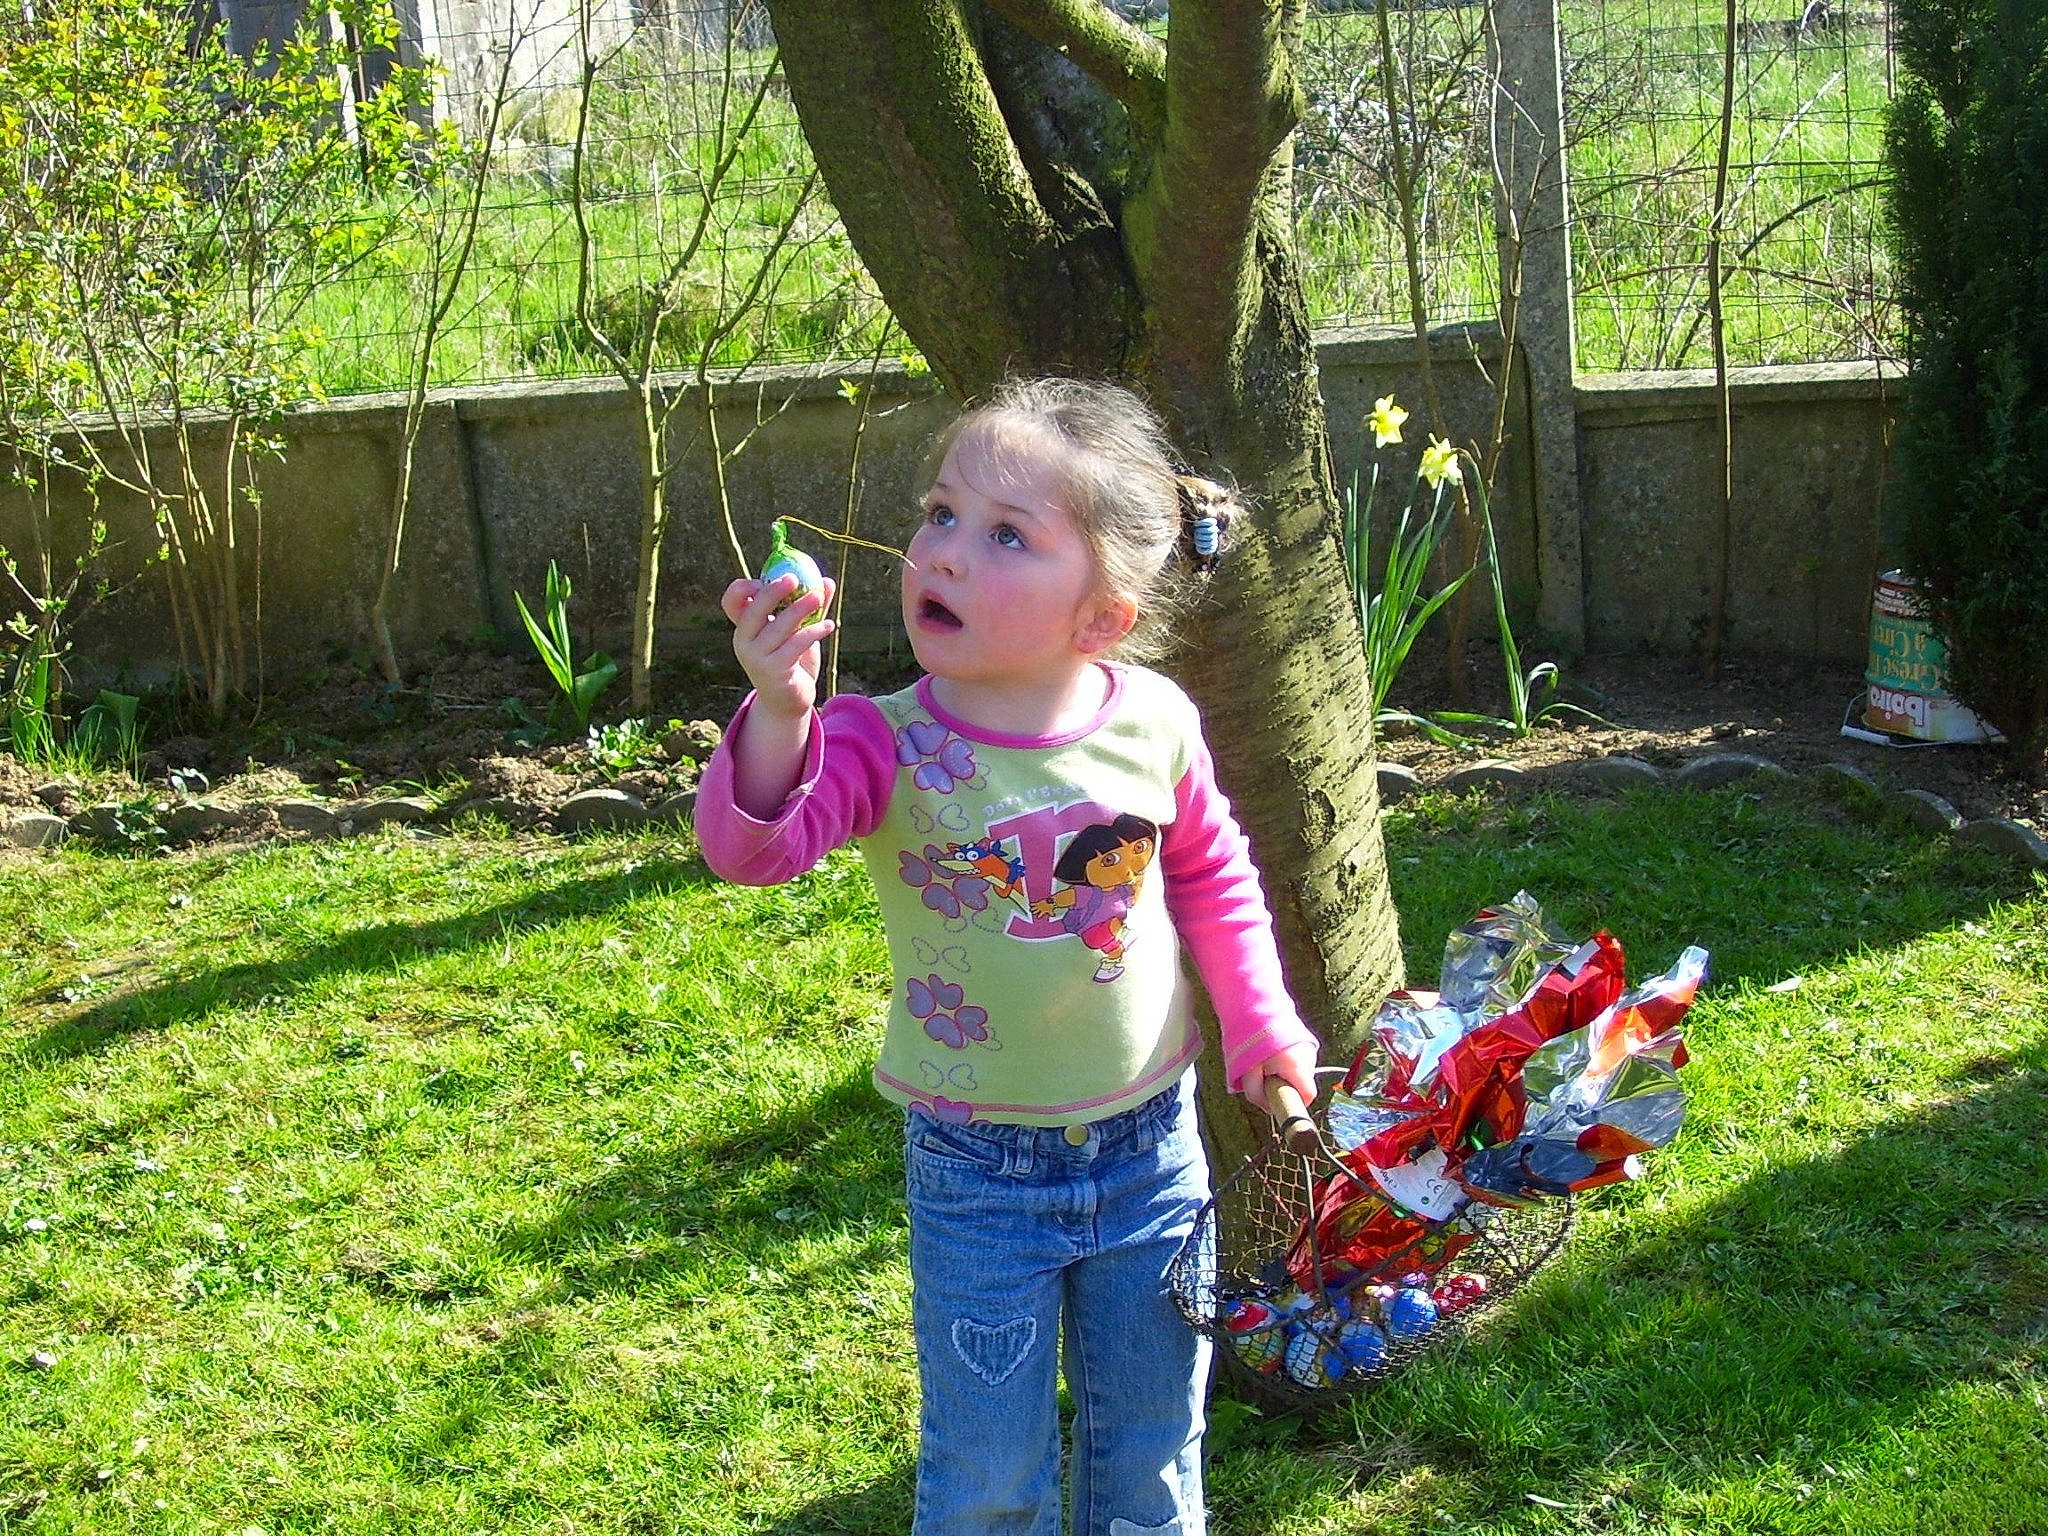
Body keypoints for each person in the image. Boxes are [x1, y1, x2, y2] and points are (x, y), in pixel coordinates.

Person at [696, 376, 1319, 1536]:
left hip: (1151, 1158)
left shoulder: (1154, 723)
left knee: (1150, 1455)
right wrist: (780, 712)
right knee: (987, 1479)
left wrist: (1265, 1029)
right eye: (938, 514)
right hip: (976, 1172)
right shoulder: (881, 742)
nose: (941, 553)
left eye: (1003, 535)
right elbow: (752, 852)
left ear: (1102, 616)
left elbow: (1211, 878)